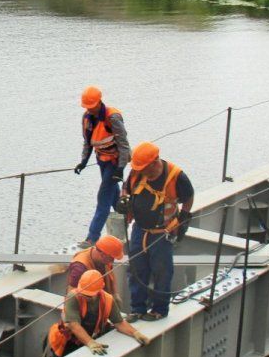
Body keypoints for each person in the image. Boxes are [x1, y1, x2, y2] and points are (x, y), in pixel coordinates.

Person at [119, 141, 194, 322]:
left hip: (162, 232)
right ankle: (137, 309)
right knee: (137, 269)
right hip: (140, 229)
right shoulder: (136, 173)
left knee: (162, 271)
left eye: (144, 167)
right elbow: (126, 188)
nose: (141, 171)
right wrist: (124, 200)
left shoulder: (176, 176)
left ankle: (159, 309)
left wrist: (182, 217)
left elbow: (188, 197)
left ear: (154, 162)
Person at [46, 270, 149, 357]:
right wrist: (91, 343)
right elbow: (74, 325)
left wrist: (135, 333)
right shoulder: (73, 297)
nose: (86, 297)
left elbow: (119, 323)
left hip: (88, 338)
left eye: (90, 295)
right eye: (84, 294)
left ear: (100, 289)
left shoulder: (108, 300)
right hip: (66, 341)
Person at [74, 86, 130, 248]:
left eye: (91, 107)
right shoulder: (87, 119)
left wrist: (120, 169)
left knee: (103, 198)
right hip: (102, 162)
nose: (89, 110)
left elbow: (124, 146)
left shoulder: (112, 118)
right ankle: (125, 225)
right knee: (113, 197)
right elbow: (88, 142)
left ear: (99, 102)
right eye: (87, 107)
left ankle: (92, 237)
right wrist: (83, 162)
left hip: (114, 163)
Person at [67, 235, 124, 307]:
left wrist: (115, 294)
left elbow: (110, 276)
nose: (112, 261)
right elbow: (71, 298)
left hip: (101, 299)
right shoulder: (80, 268)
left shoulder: (104, 258)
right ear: (103, 254)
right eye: (112, 258)